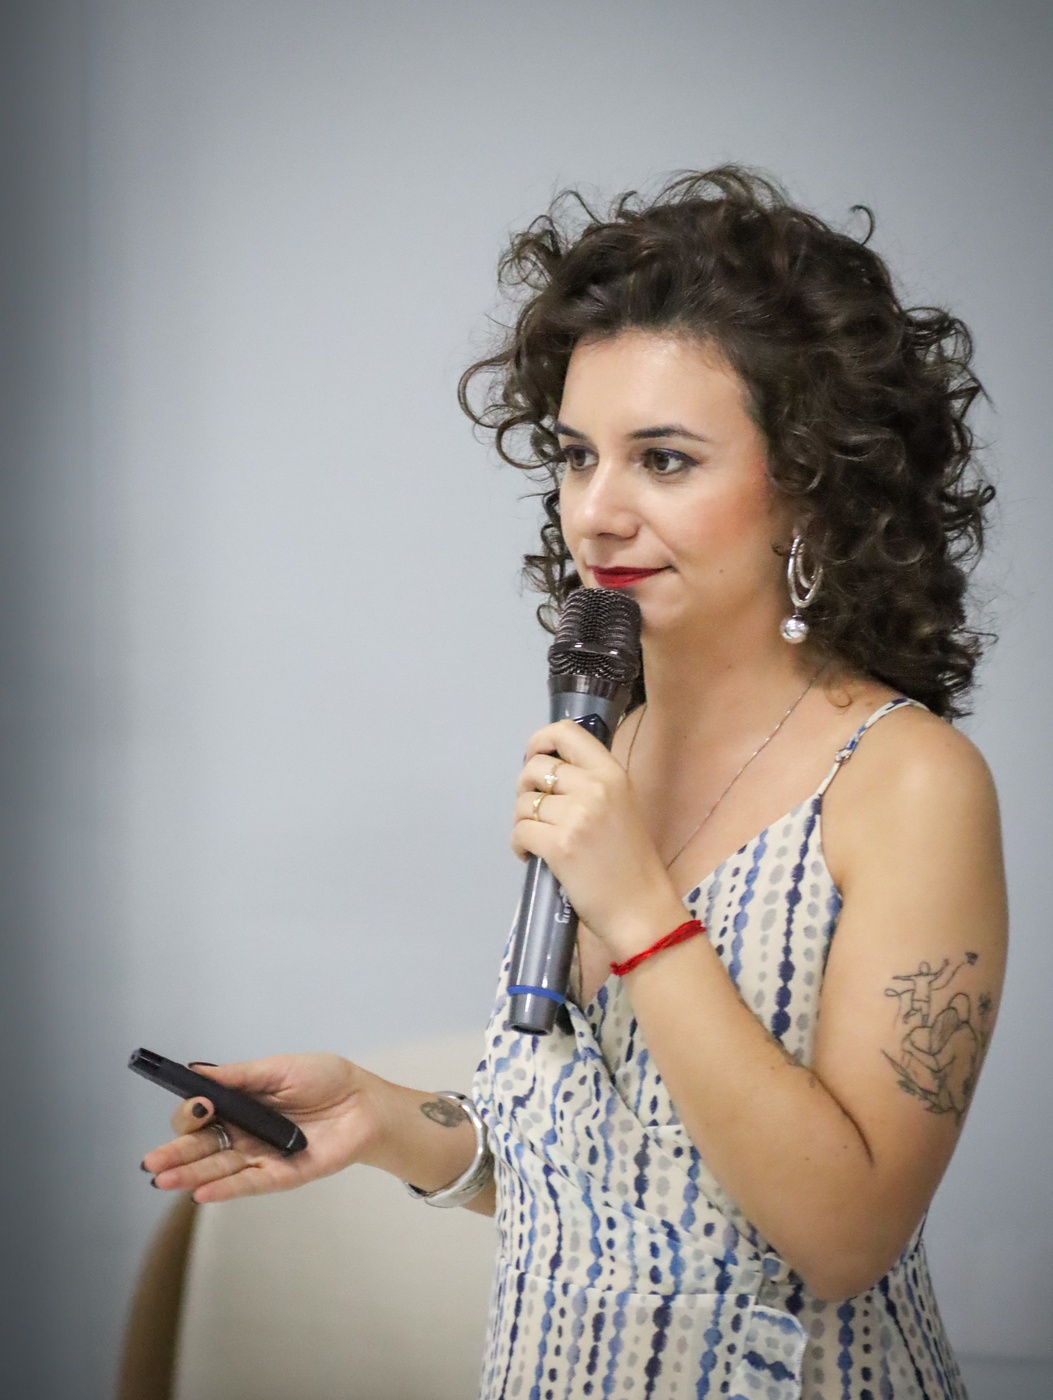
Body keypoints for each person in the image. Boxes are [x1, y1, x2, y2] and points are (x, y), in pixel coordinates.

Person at [141, 167, 1006, 1399]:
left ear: (812, 481)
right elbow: (617, 1184)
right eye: (576, 455)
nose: (596, 512)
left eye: (664, 459)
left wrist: (640, 907)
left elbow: (843, 1234)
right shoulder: (609, 741)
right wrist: (376, 1116)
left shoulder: (907, 783)